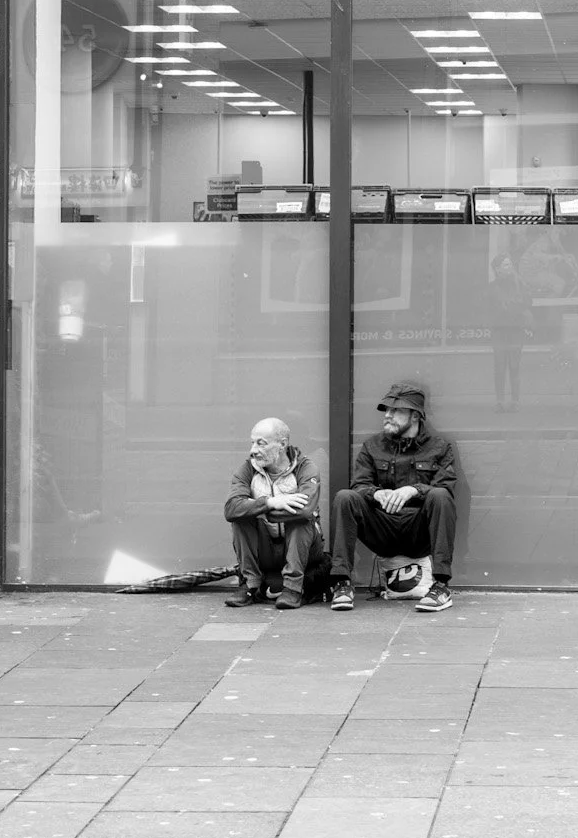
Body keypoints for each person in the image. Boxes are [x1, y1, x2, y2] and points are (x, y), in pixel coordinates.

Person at [330, 382, 460, 613]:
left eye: (396, 410)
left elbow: (446, 489)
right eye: (386, 410)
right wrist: (377, 493)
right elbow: (359, 485)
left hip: (419, 532)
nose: (387, 415)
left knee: (440, 495)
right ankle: (341, 584)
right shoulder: (372, 446)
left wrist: (414, 490)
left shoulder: (440, 447)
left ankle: (441, 587)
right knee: (345, 497)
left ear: (415, 416)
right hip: (383, 529)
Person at [223, 418, 326, 609]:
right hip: (266, 547)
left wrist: (258, 510)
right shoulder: (247, 469)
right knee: (240, 519)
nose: (253, 450)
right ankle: (250, 585)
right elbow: (231, 509)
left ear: (282, 444)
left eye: (261, 443)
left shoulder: (306, 468)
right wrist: (270, 502)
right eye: (252, 443)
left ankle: (293, 588)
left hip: (303, 548)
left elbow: (304, 511)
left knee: (301, 521)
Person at [488, 253, 532, 412]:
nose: (509, 267)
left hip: (515, 331)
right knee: (499, 367)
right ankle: (500, 401)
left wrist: (515, 305)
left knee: (514, 366)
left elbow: (527, 302)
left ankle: (515, 401)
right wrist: (514, 306)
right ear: (497, 269)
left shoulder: (519, 284)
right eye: (506, 265)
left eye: (510, 264)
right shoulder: (492, 287)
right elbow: (498, 308)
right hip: (500, 333)